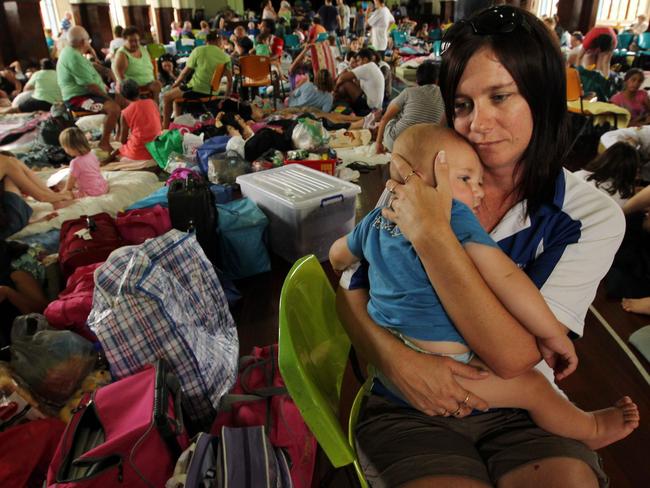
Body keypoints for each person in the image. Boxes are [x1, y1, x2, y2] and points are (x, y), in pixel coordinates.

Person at [337, 6, 627, 487]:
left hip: (525, 408)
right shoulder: (417, 179)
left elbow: (516, 359)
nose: (477, 124)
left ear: (543, 97)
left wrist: (432, 236)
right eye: (464, 104)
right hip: (411, 402)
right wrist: (396, 360)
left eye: (500, 96)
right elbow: (350, 287)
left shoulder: (587, 216)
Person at [330, 124, 639, 449]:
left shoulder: (378, 218)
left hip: (387, 352)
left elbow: (339, 256)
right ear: (420, 178)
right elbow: (508, 279)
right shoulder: (455, 215)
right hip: (446, 364)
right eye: (465, 179)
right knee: (534, 389)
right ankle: (591, 429)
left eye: (479, 181)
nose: (477, 191)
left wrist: (347, 257)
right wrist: (552, 334)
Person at [57, 26, 124, 155]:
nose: (89, 43)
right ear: (83, 42)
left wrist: (104, 69)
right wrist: (108, 97)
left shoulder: (74, 52)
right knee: (114, 108)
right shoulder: (73, 57)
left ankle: (120, 136)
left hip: (88, 93)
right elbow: (91, 86)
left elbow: (89, 65)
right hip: (77, 98)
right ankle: (104, 142)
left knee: (124, 101)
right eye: (89, 41)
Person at [162, 31, 232, 128]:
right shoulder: (226, 57)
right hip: (213, 92)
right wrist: (226, 96)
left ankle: (164, 128)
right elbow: (230, 79)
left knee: (166, 96)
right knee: (176, 100)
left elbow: (184, 73)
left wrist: (176, 83)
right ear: (219, 42)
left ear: (206, 41)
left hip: (196, 89)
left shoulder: (198, 50)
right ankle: (177, 126)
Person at [376, 61, 444, 153]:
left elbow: (385, 118)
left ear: (417, 79)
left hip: (396, 143)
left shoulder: (408, 92)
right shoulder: (445, 95)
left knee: (395, 113)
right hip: (426, 148)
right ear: (437, 80)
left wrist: (378, 143)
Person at [0, 153, 72, 239]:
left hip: (7, 224)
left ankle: (55, 201)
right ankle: (56, 201)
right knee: (11, 164)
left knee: (12, 162)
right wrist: (64, 196)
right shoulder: (5, 161)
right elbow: (42, 197)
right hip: (9, 225)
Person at [113, 27, 162, 104]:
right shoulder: (122, 55)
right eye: (131, 41)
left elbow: (150, 66)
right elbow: (120, 77)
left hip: (149, 83)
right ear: (124, 40)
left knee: (157, 85)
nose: (134, 44)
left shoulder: (143, 49)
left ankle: (155, 110)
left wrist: (155, 78)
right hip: (133, 88)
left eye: (137, 41)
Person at [117, 79, 161, 161]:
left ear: (123, 96)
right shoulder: (152, 102)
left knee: (118, 151)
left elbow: (123, 141)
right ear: (139, 90)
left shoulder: (125, 112)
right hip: (157, 147)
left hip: (139, 152)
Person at [58, 127, 108, 198]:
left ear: (70, 147)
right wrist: (69, 167)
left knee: (65, 192)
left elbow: (69, 187)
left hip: (92, 193)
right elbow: (86, 168)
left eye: (64, 147)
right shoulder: (92, 154)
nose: (64, 149)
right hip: (103, 187)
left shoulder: (75, 162)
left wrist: (61, 194)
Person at [334, 48, 385, 116]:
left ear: (365, 60)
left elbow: (342, 78)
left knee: (345, 84)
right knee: (346, 84)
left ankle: (336, 106)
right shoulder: (372, 67)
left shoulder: (367, 67)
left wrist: (334, 91)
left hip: (370, 107)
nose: (357, 63)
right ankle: (343, 109)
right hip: (373, 105)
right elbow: (357, 85)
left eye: (358, 61)